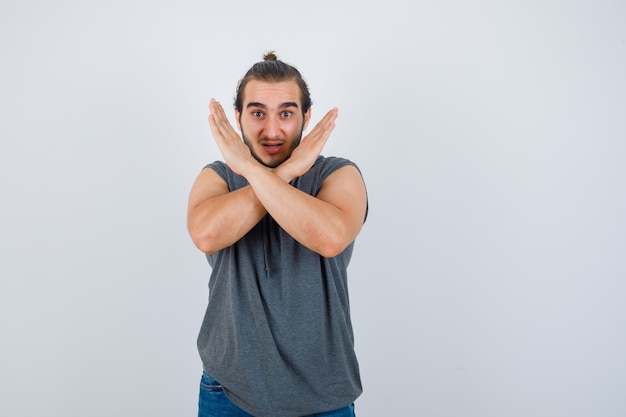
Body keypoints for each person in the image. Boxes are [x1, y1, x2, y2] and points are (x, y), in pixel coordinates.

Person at [187, 51, 368, 417]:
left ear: (306, 117)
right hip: (227, 394)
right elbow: (205, 234)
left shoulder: (339, 174)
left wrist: (260, 171)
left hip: (325, 397)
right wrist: (280, 172)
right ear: (237, 118)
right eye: (257, 113)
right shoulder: (219, 176)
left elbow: (331, 238)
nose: (271, 130)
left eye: (286, 113)